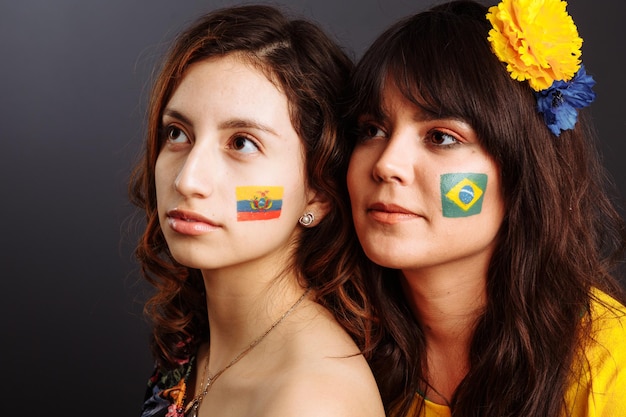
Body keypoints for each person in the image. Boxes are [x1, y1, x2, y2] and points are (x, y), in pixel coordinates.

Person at [345, 0, 626, 416]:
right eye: (373, 130)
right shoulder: (332, 342)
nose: (386, 164)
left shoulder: (608, 363)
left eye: (441, 137)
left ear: (521, 173)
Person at [129, 5, 385, 417]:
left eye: (242, 143)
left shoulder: (314, 400)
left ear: (317, 194)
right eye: (178, 133)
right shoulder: (194, 345)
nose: (188, 180)